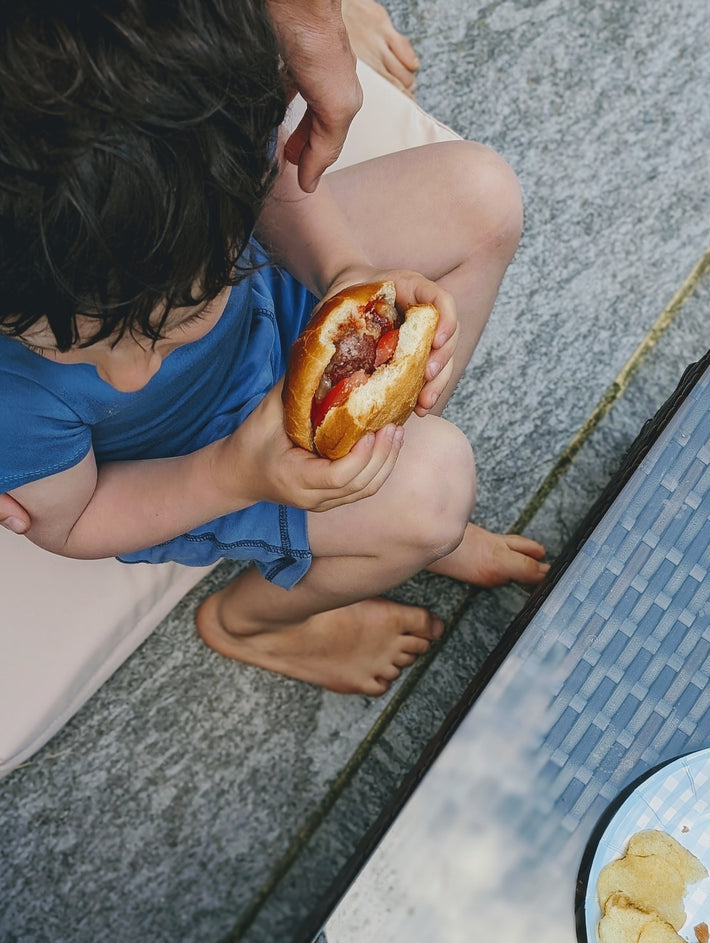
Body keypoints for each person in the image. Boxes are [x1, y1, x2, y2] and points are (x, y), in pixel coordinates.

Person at [0, 0, 548, 696]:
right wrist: (235, 474)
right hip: (193, 461)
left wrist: (344, 269)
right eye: (83, 351)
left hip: (271, 292)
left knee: (483, 194)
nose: (134, 371)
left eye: (175, 317)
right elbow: (72, 521)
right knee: (436, 495)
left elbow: (266, 183)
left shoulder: (177, 126)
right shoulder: (9, 399)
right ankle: (251, 620)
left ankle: (378, 486)